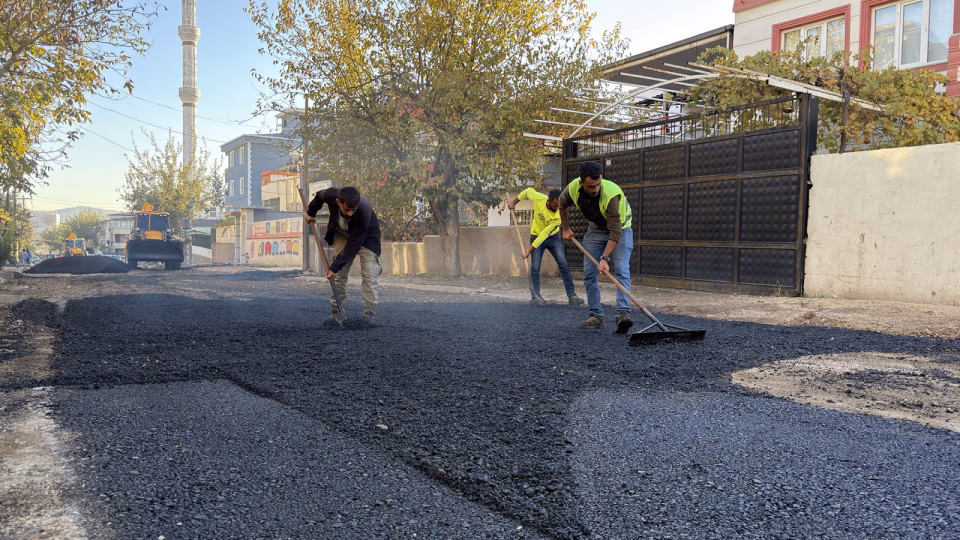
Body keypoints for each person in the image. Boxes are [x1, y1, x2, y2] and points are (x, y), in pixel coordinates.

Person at [559, 161, 635, 332]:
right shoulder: (572, 189)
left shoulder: (611, 194)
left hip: (621, 230)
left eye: (598, 184)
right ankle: (596, 316)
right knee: (589, 273)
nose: (595, 189)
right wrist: (566, 228)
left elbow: (615, 233)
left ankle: (623, 314)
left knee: (622, 270)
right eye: (591, 186)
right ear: (581, 182)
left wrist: (605, 258)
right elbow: (562, 205)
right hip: (595, 229)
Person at [305, 186, 383, 325]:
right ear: (337, 202)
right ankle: (336, 313)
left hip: (367, 237)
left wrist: (334, 267)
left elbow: (354, 245)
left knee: (370, 275)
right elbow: (318, 196)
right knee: (339, 275)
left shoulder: (363, 211)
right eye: (347, 209)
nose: (351, 213)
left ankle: (369, 315)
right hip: (342, 233)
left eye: (354, 209)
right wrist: (311, 212)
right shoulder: (330, 194)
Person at [507, 188, 584, 307]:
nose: (557, 207)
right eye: (555, 205)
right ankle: (535, 297)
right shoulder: (539, 199)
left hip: (552, 238)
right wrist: (514, 202)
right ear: (548, 201)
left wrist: (529, 250)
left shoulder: (558, 216)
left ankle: (572, 296)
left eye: (559, 205)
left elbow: (544, 235)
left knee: (563, 265)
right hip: (535, 235)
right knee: (535, 268)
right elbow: (527, 191)